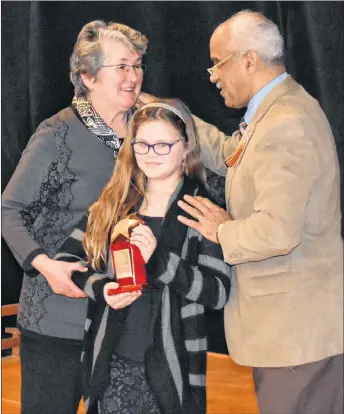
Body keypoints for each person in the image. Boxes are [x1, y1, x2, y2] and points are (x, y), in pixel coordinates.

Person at [176, 10, 343, 414]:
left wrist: (221, 230)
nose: (212, 75)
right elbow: (233, 155)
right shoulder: (279, 111)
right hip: (293, 335)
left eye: (218, 63)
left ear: (248, 60)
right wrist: (174, 115)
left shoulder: (285, 122)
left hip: (296, 338)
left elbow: (277, 232)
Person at [1, 20, 149, 413]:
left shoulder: (148, 129)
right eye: (122, 67)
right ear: (87, 76)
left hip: (125, 321)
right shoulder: (57, 134)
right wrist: (45, 265)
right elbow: (8, 210)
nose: (133, 76)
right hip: (58, 318)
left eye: (137, 65)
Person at [53, 99, 231, 414]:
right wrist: (102, 289)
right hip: (109, 365)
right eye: (143, 145)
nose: (151, 154)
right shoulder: (114, 202)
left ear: (185, 148)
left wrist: (160, 259)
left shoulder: (202, 209)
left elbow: (217, 293)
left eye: (163, 145)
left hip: (173, 372)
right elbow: (68, 261)